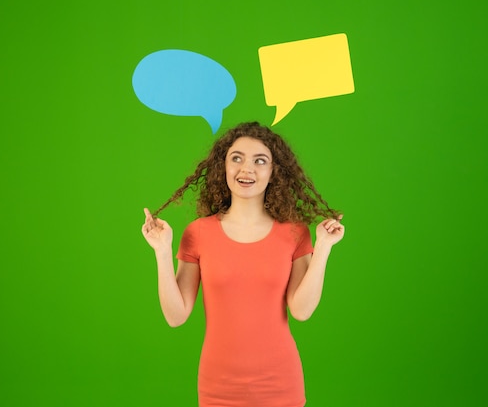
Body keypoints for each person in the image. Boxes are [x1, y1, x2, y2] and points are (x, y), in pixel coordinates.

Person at [141, 121, 344, 407]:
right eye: (236, 158)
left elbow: (301, 311)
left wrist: (323, 247)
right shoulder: (198, 233)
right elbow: (176, 317)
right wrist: (162, 251)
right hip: (217, 388)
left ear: (274, 171)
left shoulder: (295, 232)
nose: (246, 169)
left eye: (260, 161)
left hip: (280, 385)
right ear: (223, 167)